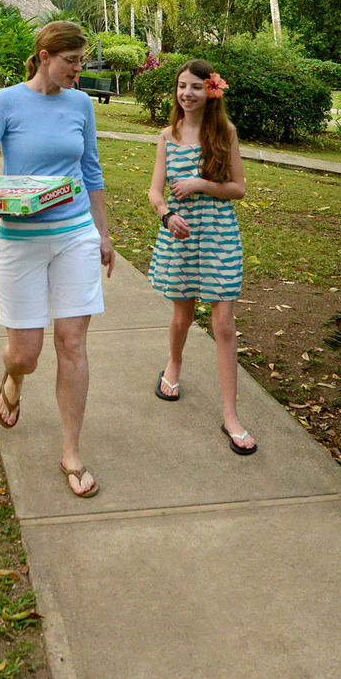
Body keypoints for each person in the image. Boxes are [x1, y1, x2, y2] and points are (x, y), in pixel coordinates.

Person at [0, 20, 112, 498]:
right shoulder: (6, 101)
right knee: (27, 355)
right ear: (46, 56)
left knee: (72, 343)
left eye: (81, 60)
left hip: (74, 235)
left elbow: (91, 169)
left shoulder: (82, 104)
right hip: (21, 239)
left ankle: (71, 451)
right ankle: (12, 378)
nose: (79, 69)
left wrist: (102, 234)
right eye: (72, 61)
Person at [146, 59, 255, 455]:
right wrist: (167, 215)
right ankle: (173, 365)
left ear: (211, 91)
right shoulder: (166, 136)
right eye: (181, 87)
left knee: (223, 324)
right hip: (180, 234)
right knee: (183, 316)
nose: (186, 94)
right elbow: (155, 192)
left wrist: (201, 184)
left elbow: (239, 188)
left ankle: (231, 417)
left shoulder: (224, 133)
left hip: (219, 235)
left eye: (194, 87)